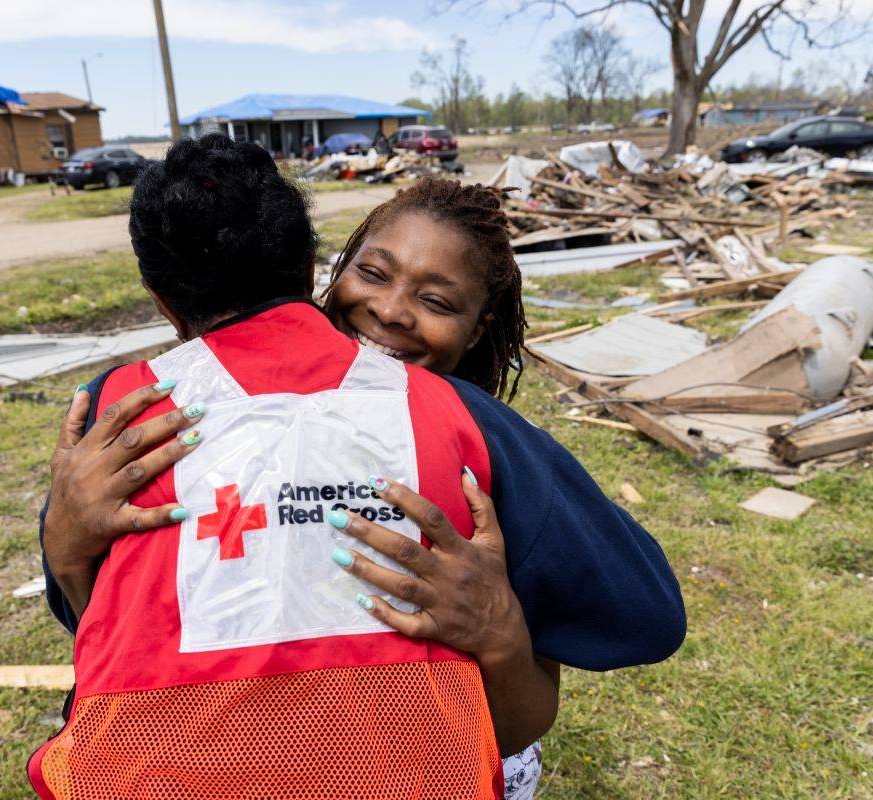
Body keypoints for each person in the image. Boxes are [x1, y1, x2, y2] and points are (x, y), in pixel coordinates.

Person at [36, 147, 685, 797]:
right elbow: (111, 627)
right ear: (324, 270)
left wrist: (499, 629)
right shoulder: (129, 438)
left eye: (435, 298)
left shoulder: (479, 446)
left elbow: (625, 632)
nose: (392, 311)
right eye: (374, 273)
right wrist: (65, 536)